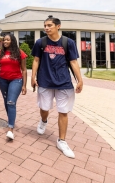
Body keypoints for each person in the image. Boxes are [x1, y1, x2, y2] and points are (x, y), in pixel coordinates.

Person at [31, 15, 83, 158]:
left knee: (63, 111)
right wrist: (32, 77)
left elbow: (73, 62)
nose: (46, 28)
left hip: (64, 82)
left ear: (58, 26)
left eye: (49, 25)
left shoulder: (68, 42)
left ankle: (62, 141)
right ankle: (44, 120)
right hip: (45, 81)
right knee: (44, 108)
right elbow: (36, 60)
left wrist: (80, 80)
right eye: (45, 26)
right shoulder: (40, 42)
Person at [0, 34, 27, 140]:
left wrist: (24, 85)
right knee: (7, 101)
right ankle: (11, 120)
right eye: (5, 40)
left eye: (8, 40)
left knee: (11, 102)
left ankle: (10, 129)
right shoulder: (0, 53)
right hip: (3, 80)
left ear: (13, 41)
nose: (6, 41)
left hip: (16, 80)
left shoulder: (20, 53)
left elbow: (24, 70)